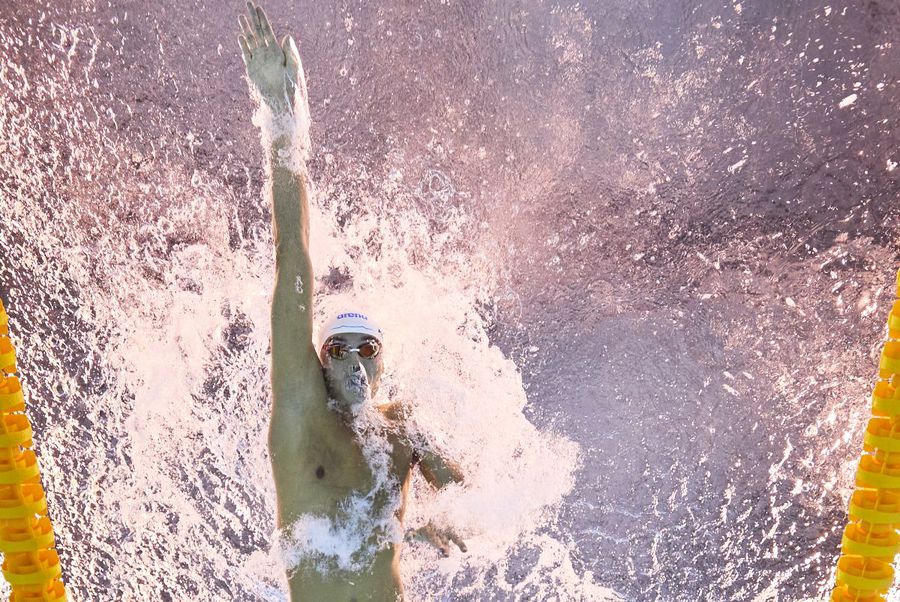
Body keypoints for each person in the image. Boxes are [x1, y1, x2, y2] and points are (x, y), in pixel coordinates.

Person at [237, 3, 467, 600]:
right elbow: (293, 259)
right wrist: (282, 120)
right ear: (320, 360)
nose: (355, 362)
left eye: (368, 350)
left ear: (383, 361)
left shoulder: (404, 430)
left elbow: (474, 507)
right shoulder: (300, 415)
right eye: (339, 350)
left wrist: (436, 527)